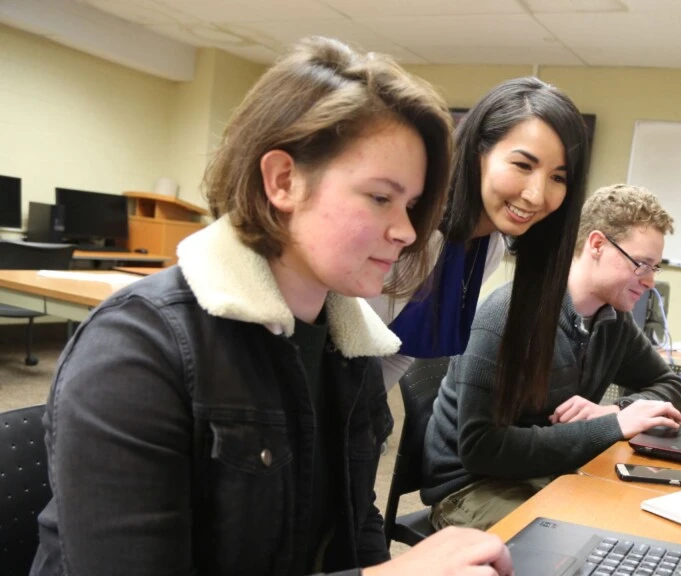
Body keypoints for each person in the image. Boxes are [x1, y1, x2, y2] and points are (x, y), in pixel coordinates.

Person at [30, 37, 511, 576]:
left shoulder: (348, 348)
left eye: (413, 206)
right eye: (380, 197)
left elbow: (354, 531)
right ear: (283, 180)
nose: (404, 231)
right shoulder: (136, 350)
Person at [422, 184, 681, 531]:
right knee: (580, 552)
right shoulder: (507, 317)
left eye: (655, 267)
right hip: (472, 487)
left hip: (543, 474)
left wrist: (614, 411)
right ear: (597, 245)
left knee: (636, 527)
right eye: (641, 265)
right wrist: (611, 427)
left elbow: (669, 385)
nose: (650, 280)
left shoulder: (611, 319)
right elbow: (482, 448)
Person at [368, 77, 591, 390]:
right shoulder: (415, 232)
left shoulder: (490, 247)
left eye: (558, 177)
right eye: (523, 165)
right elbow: (344, 342)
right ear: (478, 153)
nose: (536, 195)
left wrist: (366, 421)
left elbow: (398, 348)